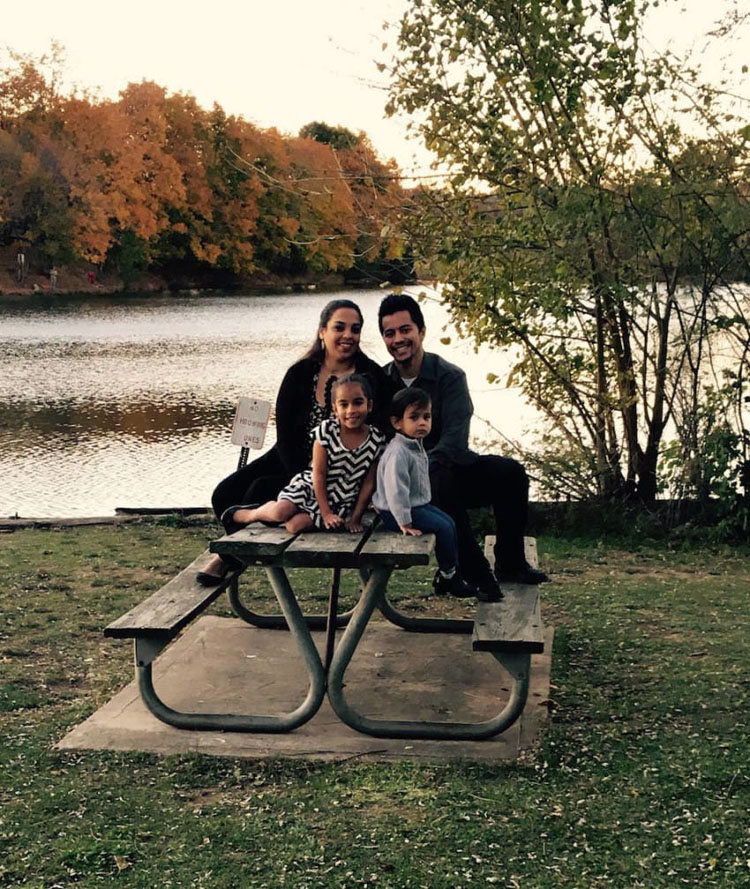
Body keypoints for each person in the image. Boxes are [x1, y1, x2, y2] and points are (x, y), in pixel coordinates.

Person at [197, 299, 395, 585]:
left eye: (355, 329)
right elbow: (286, 434)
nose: (348, 335)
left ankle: (224, 558)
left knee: (259, 491)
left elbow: (388, 425)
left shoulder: (371, 377)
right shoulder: (300, 373)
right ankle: (236, 553)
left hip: (341, 473)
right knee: (225, 494)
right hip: (292, 460)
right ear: (322, 331)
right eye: (339, 327)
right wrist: (302, 478)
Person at [378, 293, 549, 599]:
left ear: (421, 332)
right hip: (404, 487)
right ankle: (474, 572)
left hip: (450, 467)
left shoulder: (449, 376)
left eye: (405, 330)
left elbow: (455, 439)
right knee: (441, 483)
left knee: (510, 473)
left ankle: (510, 562)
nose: (398, 339)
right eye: (390, 333)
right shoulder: (381, 382)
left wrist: (426, 464)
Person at [220, 374, 385, 536]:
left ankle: (294, 513)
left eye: (358, 403)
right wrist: (325, 514)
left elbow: (369, 484)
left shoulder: (376, 440)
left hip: (340, 500)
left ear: (369, 405)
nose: (351, 410)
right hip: (310, 488)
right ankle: (247, 514)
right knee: (280, 512)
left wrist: (355, 519)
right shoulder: (326, 432)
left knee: (294, 526)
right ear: (335, 408)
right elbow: (318, 475)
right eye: (344, 404)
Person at [372, 388, 491, 600]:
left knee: (450, 522)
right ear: (397, 423)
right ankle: (448, 576)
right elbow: (395, 491)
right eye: (414, 417)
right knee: (443, 527)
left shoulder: (414, 446)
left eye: (426, 417)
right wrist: (404, 523)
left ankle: (451, 572)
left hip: (415, 505)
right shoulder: (398, 453)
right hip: (396, 512)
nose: (422, 423)